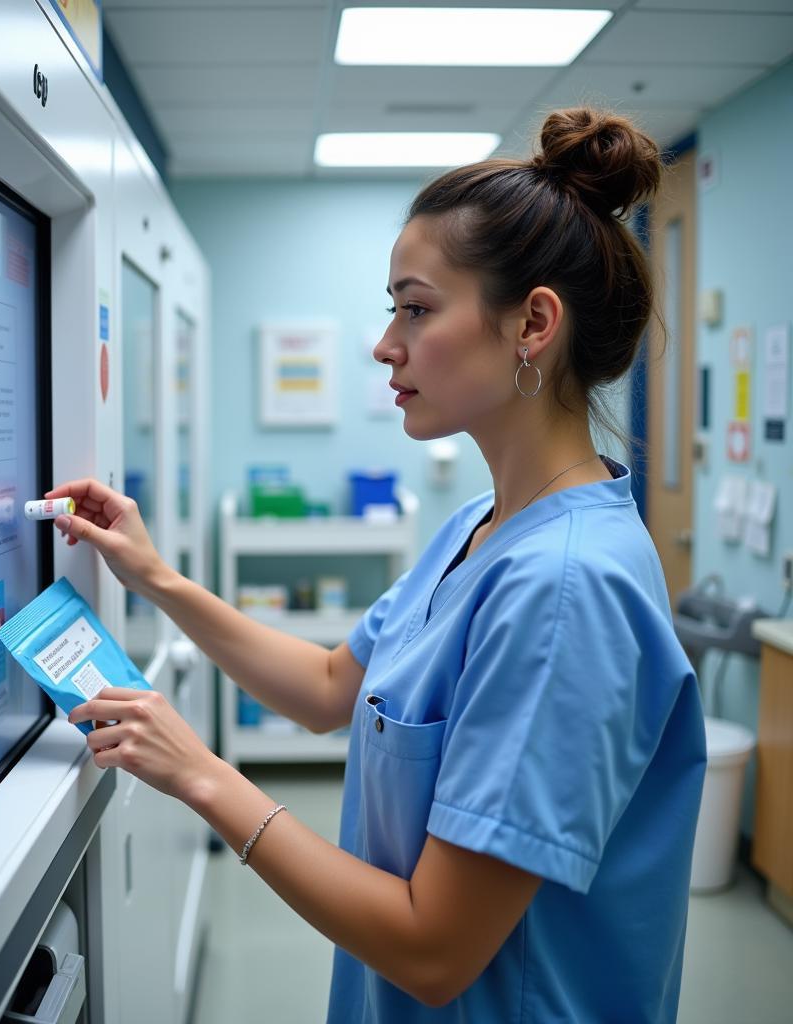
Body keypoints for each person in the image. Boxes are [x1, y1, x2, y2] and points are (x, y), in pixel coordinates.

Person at [50, 107, 707, 1022]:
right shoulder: (481, 527)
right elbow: (329, 683)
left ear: (533, 324)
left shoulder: (565, 589)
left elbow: (433, 950)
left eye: (416, 308)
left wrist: (201, 773)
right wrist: (155, 577)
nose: (385, 343)